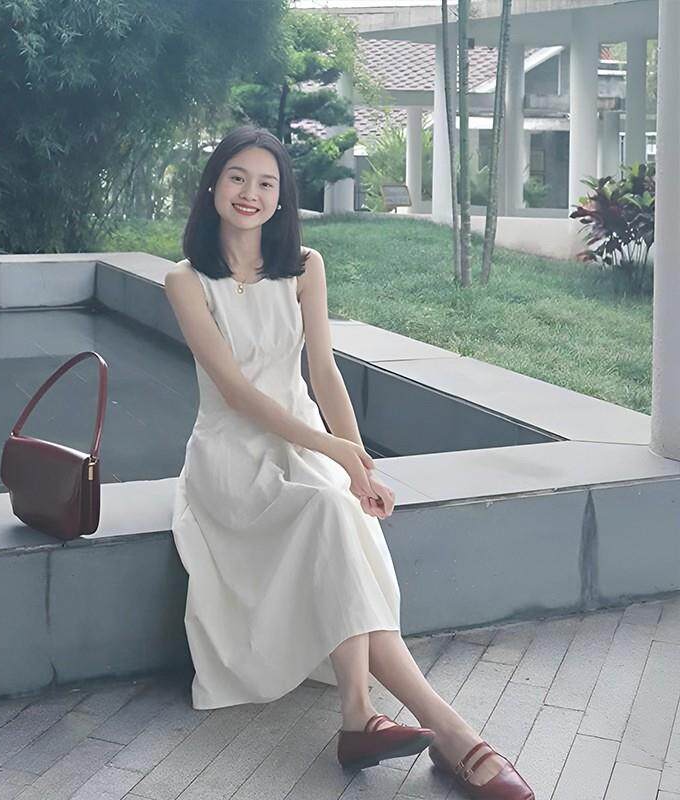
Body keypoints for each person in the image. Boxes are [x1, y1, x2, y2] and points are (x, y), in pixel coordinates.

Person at [165, 124, 533, 798]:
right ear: (213, 183)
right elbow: (237, 394)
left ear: (283, 196)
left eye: (267, 182)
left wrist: (359, 463)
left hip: (302, 443)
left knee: (336, 503)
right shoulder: (186, 280)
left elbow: (325, 373)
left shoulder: (305, 265)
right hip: (230, 460)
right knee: (330, 510)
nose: (250, 193)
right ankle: (444, 733)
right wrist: (334, 451)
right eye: (238, 177)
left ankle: (373, 719)